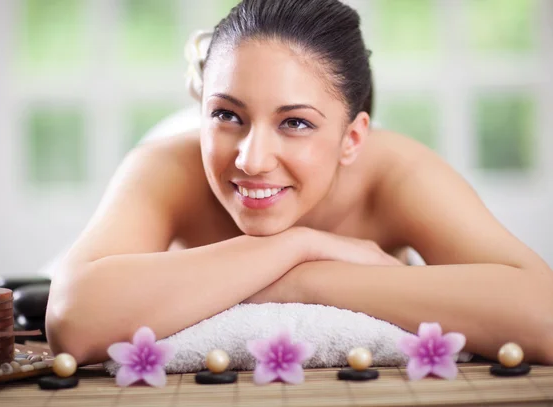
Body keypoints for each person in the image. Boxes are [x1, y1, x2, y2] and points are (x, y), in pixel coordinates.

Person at [45, 0, 553, 366]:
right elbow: (73, 318)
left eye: (295, 123)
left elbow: (543, 313)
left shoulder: (398, 174)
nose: (252, 158)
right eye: (226, 114)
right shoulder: (164, 169)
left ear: (352, 139)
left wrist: (306, 279)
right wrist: (303, 243)